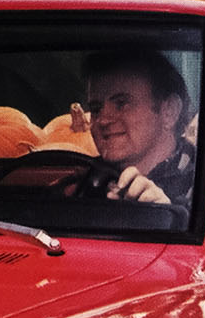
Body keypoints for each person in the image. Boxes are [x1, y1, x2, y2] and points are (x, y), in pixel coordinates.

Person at [71, 48, 197, 207]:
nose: (103, 120)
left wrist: (167, 217)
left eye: (121, 104)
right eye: (96, 109)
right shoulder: (85, 180)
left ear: (169, 112)